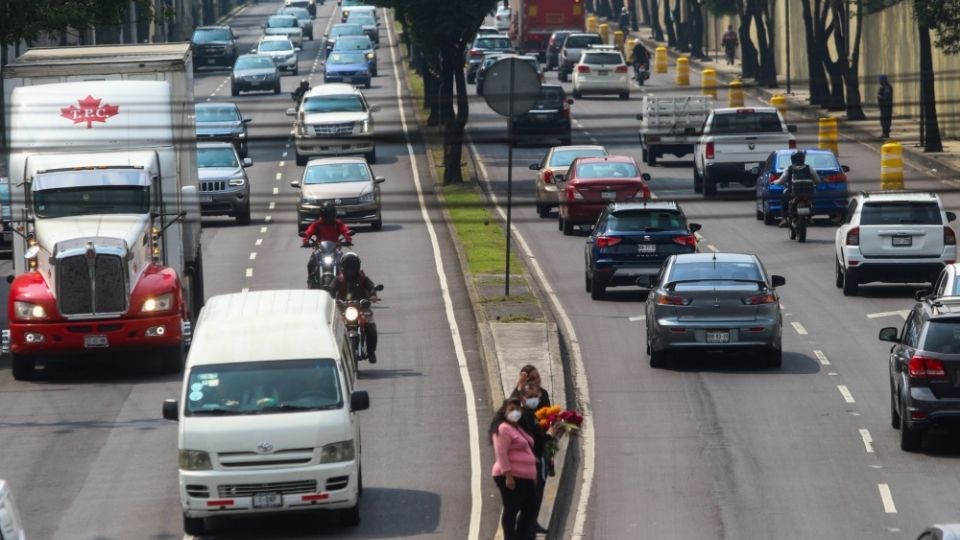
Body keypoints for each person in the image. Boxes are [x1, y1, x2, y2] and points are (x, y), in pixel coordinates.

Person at [490, 397, 539, 540]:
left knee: (530, 507)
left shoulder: (517, 428)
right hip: (511, 475)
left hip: (525, 476)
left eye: (518, 409)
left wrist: (533, 474)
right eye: (511, 409)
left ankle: (522, 536)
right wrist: (508, 476)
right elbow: (501, 453)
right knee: (512, 508)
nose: (515, 412)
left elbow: (528, 449)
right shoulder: (503, 429)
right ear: (504, 412)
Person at [518, 382, 555, 536]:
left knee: (537, 496)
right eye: (530, 397)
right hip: (529, 464)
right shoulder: (523, 416)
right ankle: (524, 530)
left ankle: (532, 524)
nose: (534, 400)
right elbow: (532, 439)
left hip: (539, 460)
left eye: (536, 396)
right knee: (529, 500)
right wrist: (549, 435)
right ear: (523, 398)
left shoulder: (533, 415)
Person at [336, 252, 379, 363]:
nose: (350, 268)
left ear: (357, 265)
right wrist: (328, 296)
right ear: (343, 266)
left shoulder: (362, 278)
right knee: (332, 327)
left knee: (371, 326)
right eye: (347, 265)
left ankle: (371, 352)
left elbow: (371, 286)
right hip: (343, 309)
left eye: (353, 265)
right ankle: (334, 353)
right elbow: (330, 289)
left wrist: (373, 294)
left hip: (362, 308)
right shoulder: (339, 279)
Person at [302, 201, 352, 284]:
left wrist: (348, 239)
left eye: (331, 215)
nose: (329, 217)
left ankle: (344, 280)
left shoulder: (338, 223)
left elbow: (345, 230)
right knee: (311, 262)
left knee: (344, 261)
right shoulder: (317, 224)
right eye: (327, 215)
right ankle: (311, 279)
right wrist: (306, 241)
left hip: (335, 249)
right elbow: (308, 232)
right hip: (320, 249)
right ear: (322, 215)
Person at [773, 150, 821, 227]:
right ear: (803, 159)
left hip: (792, 193)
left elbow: (781, 181)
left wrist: (775, 182)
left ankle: (784, 218)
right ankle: (810, 217)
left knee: (783, 197)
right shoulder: (809, 168)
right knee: (813, 198)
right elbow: (818, 180)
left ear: (792, 159)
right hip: (807, 193)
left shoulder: (788, 169)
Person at [877, 74, 894, 139]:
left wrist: (880, 97)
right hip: (883, 107)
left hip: (886, 107)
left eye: (880, 80)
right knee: (883, 120)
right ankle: (884, 132)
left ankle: (886, 133)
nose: (879, 81)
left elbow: (887, 97)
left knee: (885, 120)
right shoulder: (882, 87)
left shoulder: (887, 87)